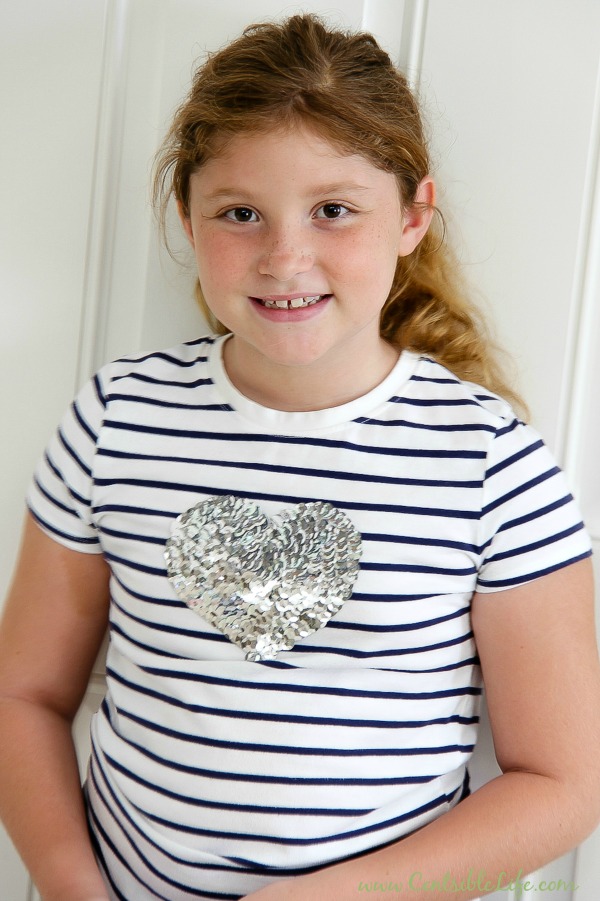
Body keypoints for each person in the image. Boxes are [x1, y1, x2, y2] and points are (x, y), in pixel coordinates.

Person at [0, 12, 599, 901]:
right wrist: (67, 885)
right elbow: (25, 696)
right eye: (240, 213)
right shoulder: (117, 419)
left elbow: (565, 786)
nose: (286, 257)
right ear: (186, 217)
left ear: (411, 215)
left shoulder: (489, 466)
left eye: (333, 210)